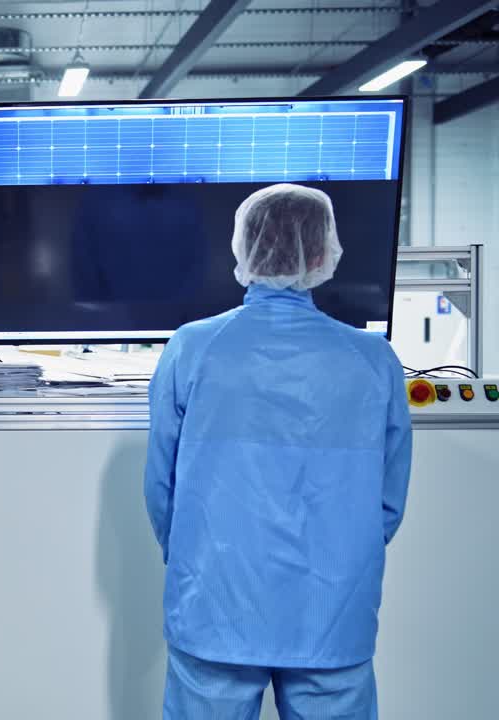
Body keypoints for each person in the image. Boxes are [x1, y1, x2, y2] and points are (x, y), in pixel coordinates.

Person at [144, 183, 412, 719]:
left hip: (216, 602)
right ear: (322, 254)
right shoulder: (373, 358)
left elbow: (161, 488)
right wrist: (340, 558)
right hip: (333, 610)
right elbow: (388, 500)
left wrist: (197, 561)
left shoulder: (194, 348)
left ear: (243, 250)